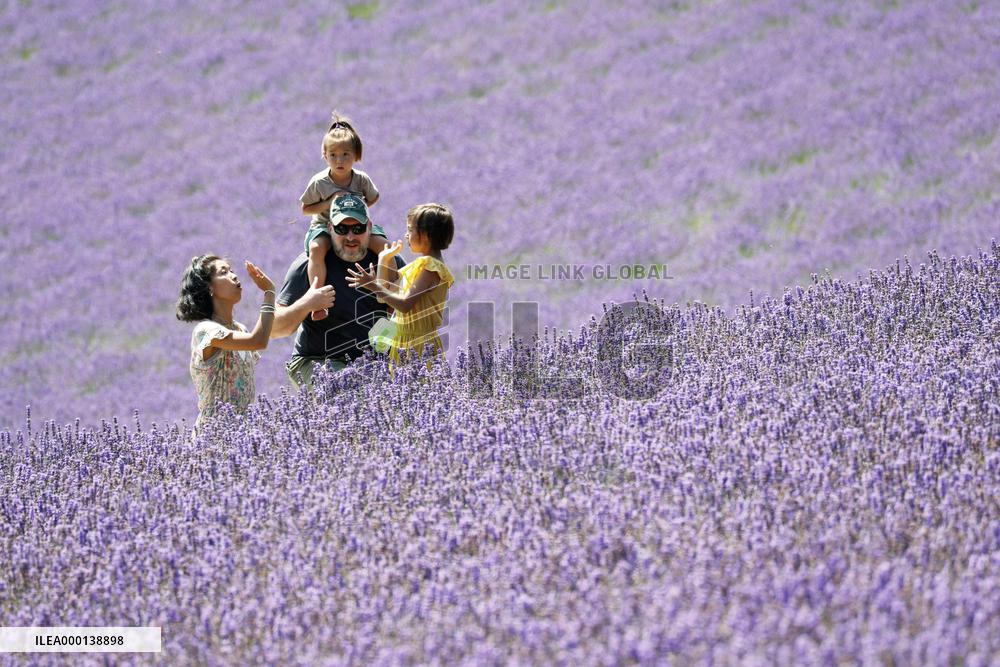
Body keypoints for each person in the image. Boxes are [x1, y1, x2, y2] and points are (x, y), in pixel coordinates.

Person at [273, 195, 405, 390]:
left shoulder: (387, 261)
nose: (350, 237)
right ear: (329, 229)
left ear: (369, 227)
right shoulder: (308, 264)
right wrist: (307, 303)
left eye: (357, 229)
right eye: (341, 229)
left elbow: (416, 309)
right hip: (317, 359)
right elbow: (275, 328)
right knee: (343, 389)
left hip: (375, 362)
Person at [299, 112, 388, 321]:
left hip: (358, 226)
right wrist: (329, 204)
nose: (339, 160)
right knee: (316, 249)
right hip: (323, 225)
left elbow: (374, 198)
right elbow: (305, 208)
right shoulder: (319, 182)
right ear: (325, 155)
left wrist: (357, 210)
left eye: (346, 154)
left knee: (385, 248)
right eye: (333, 155)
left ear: (356, 155)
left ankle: (387, 295)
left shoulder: (361, 179)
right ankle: (317, 300)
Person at [347, 203, 455, 366]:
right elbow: (385, 296)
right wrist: (384, 259)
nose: (406, 235)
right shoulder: (417, 266)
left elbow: (404, 305)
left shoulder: (430, 268)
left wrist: (372, 285)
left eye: (410, 230)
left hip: (419, 346)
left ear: (425, 235)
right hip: (404, 342)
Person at [175, 255, 276, 430]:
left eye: (232, 270)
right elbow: (258, 341)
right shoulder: (206, 331)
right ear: (209, 288)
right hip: (215, 437)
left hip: (245, 434)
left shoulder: (240, 329)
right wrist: (269, 293)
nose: (234, 276)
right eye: (224, 272)